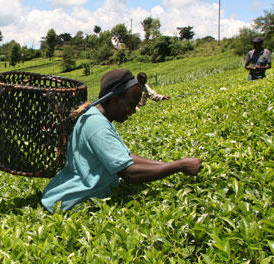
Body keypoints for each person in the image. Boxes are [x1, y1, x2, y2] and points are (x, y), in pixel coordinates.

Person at [41, 69, 202, 213]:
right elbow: (129, 173)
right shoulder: (97, 126)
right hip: (69, 204)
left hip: (66, 196)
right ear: (115, 99)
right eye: (131, 105)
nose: (133, 111)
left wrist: (173, 164)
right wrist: (178, 166)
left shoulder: (96, 117)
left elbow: (127, 157)